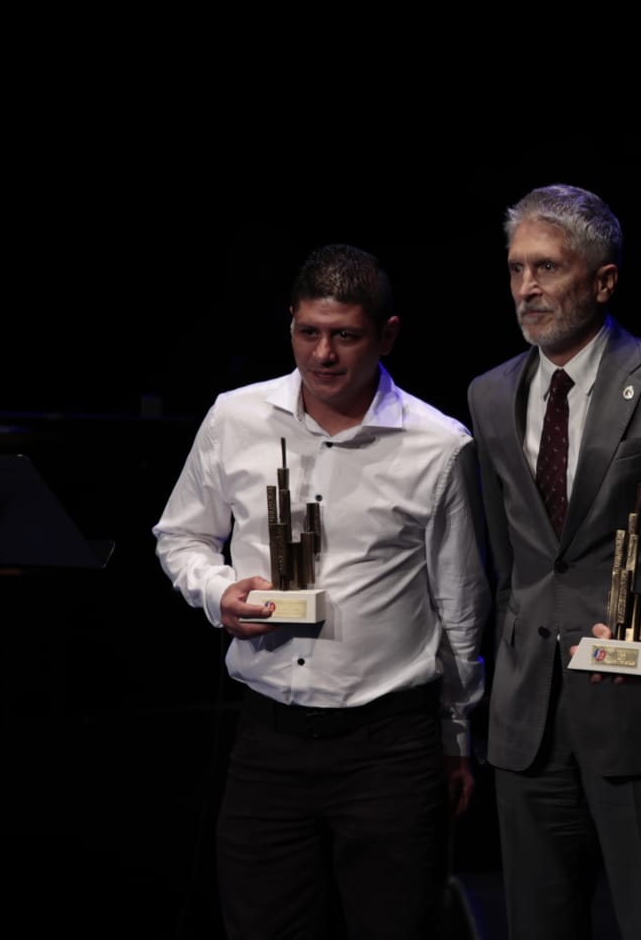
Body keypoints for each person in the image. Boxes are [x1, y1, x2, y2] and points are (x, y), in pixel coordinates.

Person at [153, 243, 490, 939]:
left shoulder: (439, 444)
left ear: (387, 334)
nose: (324, 354)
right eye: (309, 332)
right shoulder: (235, 418)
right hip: (268, 736)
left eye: (345, 336)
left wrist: (457, 738)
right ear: (291, 327)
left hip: (389, 745)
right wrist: (219, 594)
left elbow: (459, 603)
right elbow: (179, 537)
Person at [467, 185, 641, 939]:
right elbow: (507, 557)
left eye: (548, 267)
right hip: (527, 709)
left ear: (603, 280)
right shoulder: (490, 393)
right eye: (517, 268)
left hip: (632, 704)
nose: (528, 287)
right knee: (536, 921)